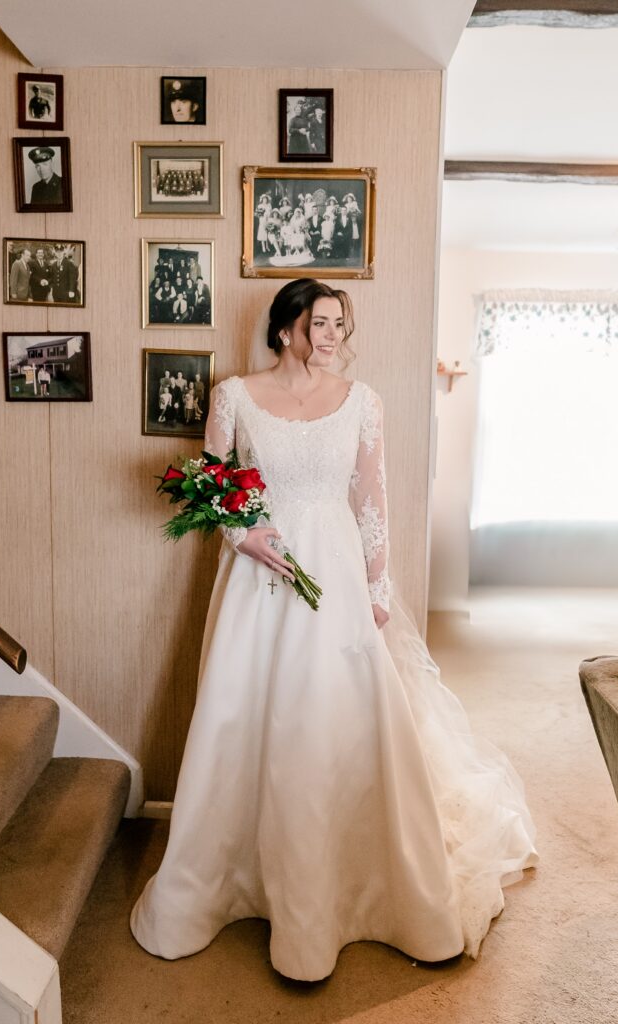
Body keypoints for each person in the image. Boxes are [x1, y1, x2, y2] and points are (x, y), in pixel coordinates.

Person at [130, 278, 538, 981]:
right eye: (321, 323)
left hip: (337, 581)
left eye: (339, 325)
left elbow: (371, 499)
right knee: (246, 716)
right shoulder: (233, 395)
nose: (333, 337)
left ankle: (361, 889)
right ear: (286, 326)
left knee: (334, 721)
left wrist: (377, 589)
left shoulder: (362, 401)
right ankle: (233, 883)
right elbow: (213, 482)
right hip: (258, 581)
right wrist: (241, 534)